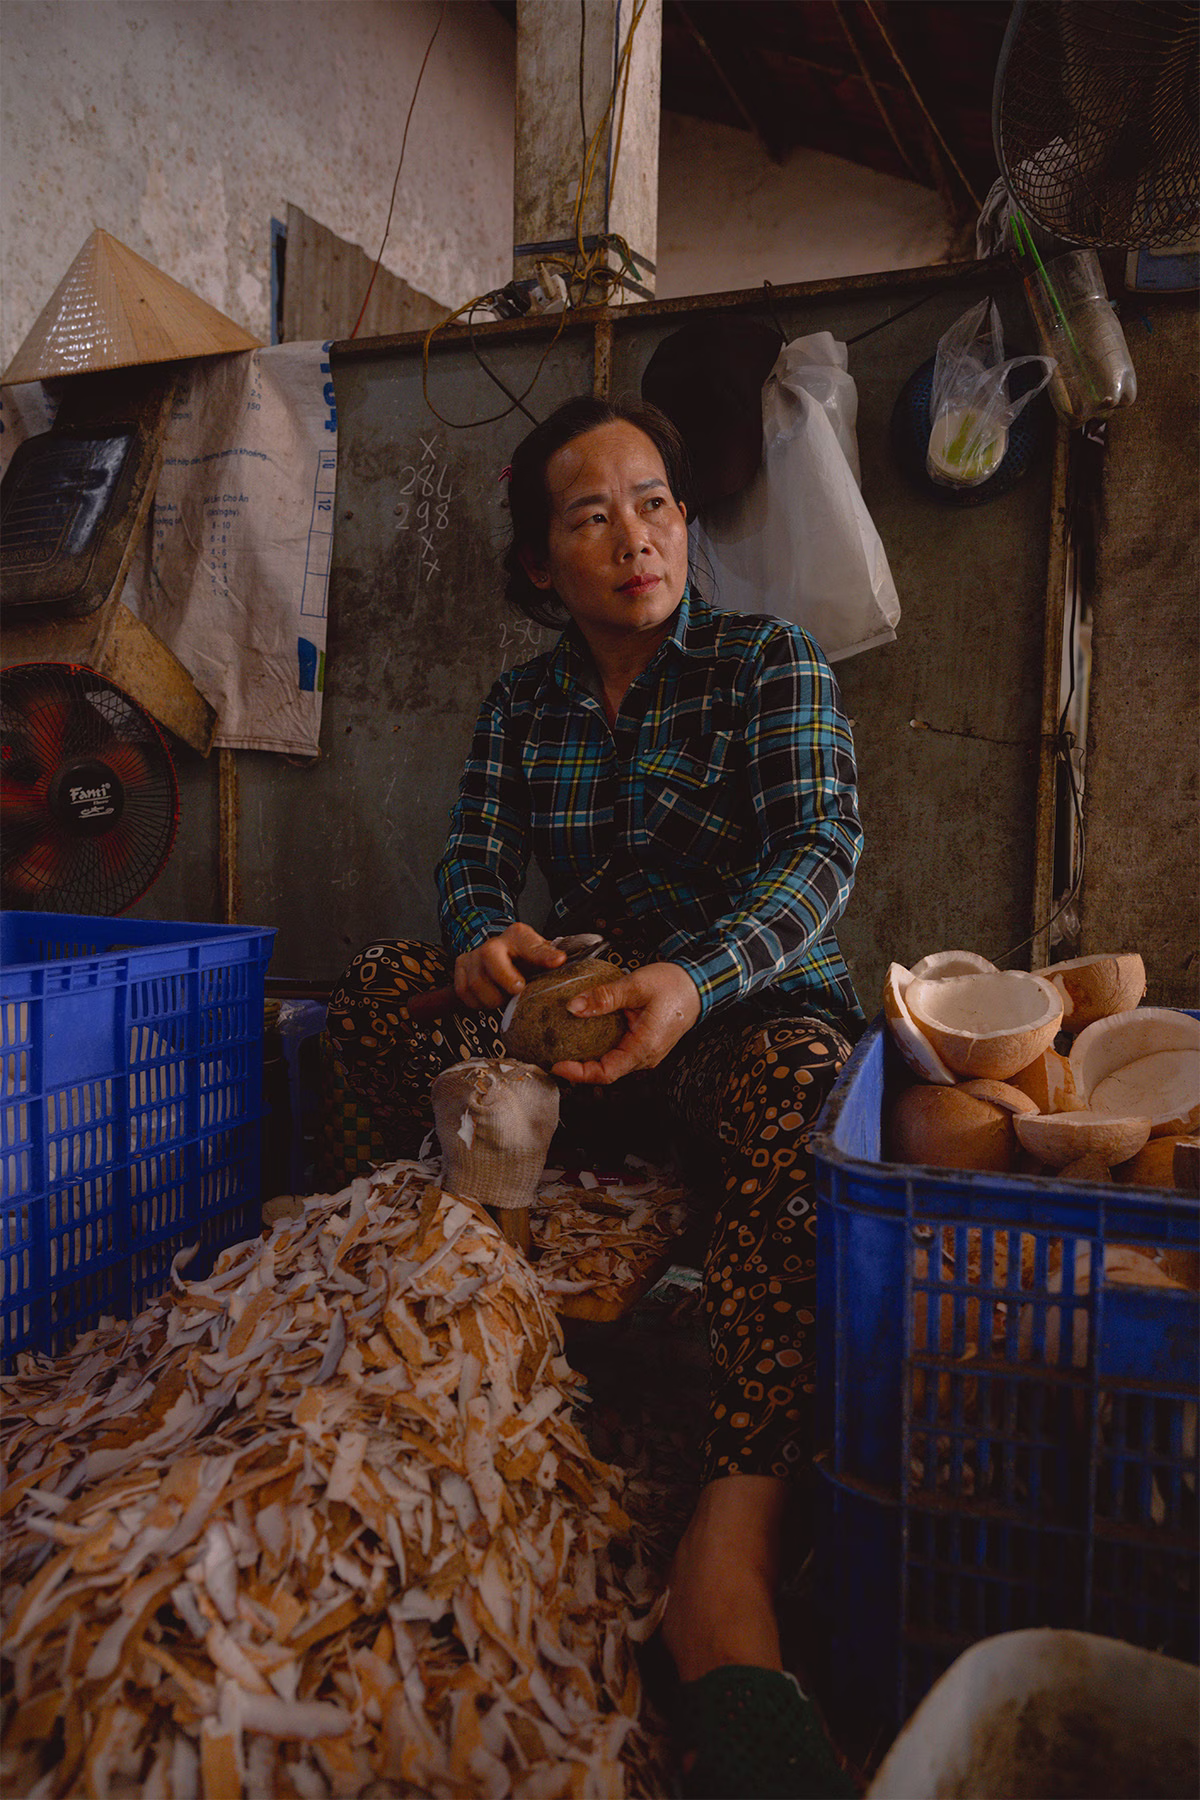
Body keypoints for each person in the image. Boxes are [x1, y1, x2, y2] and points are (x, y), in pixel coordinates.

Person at [328, 394, 863, 1798]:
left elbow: (820, 852)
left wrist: (695, 979)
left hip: (735, 1013)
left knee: (811, 1082)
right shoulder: (524, 703)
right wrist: (481, 942)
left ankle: (729, 1555)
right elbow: (472, 857)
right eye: (593, 514)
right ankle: (385, 1329)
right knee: (380, 986)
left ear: (686, 522)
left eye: (657, 503)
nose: (638, 536)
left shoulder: (767, 665)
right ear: (538, 564)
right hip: (591, 1020)